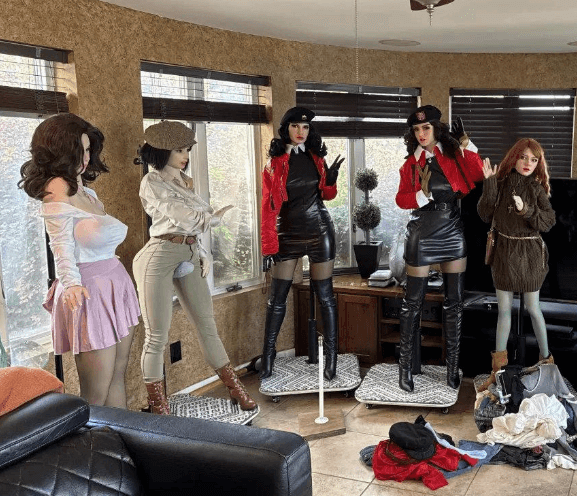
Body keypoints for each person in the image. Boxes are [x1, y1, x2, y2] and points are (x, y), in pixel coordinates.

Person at [132, 120, 255, 414]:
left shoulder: (184, 183)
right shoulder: (151, 182)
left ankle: (235, 388)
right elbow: (184, 218)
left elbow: (192, 224)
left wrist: (201, 251)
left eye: (187, 149)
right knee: (157, 335)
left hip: (188, 253)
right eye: (179, 150)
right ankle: (158, 405)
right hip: (160, 254)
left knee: (207, 325)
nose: (185, 155)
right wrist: (215, 219)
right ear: (163, 151)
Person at [18, 113, 139, 407]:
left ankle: (121, 435)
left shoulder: (85, 190)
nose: (85, 158)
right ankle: (93, 438)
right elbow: (60, 245)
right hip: (89, 291)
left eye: (87, 149)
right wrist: (71, 284)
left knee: (117, 376)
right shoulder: (57, 187)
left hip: (114, 285)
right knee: (95, 395)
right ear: (60, 151)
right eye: (78, 150)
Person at [395, 105, 484, 391]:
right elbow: (401, 199)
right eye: (417, 129)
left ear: (436, 129)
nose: (421, 134)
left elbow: (478, 174)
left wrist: (466, 144)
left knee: (454, 303)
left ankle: (452, 369)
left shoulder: (453, 155)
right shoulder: (410, 164)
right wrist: (421, 194)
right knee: (413, 304)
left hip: (452, 231)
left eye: (426, 128)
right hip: (422, 232)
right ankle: (405, 369)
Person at [259, 107, 344, 380]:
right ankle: (268, 358)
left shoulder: (316, 157)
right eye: (295, 126)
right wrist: (268, 246)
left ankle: (331, 360)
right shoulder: (274, 163)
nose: (301, 131)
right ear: (286, 129)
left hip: (320, 230)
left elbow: (327, 196)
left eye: (305, 127)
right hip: (287, 232)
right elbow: (268, 207)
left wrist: (331, 182)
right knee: (277, 298)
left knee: (325, 297)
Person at [477, 138, 556, 378]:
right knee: (504, 311)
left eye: (533, 159)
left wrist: (526, 210)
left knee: (533, 308)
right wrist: (489, 183)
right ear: (514, 158)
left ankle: (547, 364)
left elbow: (548, 222)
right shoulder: (500, 184)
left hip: (530, 255)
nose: (528, 163)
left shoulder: (536, 188)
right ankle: (498, 371)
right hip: (503, 253)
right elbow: (485, 214)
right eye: (523, 157)